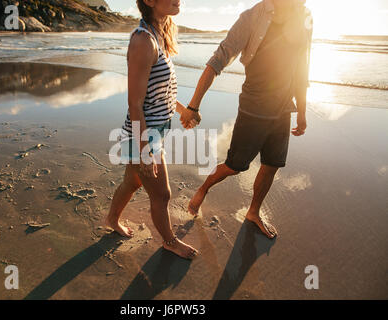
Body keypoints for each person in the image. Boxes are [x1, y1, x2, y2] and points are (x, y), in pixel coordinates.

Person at [181, 0, 313, 238]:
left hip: (284, 109)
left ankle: (253, 212)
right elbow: (218, 59)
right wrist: (193, 105)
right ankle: (204, 188)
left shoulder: (304, 17)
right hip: (254, 109)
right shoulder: (252, 17)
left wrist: (301, 112)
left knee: (272, 164)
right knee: (234, 166)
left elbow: (302, 68)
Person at [105, 0, 200, 259]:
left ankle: (112, 220)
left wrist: (183, 111)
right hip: (143, 135)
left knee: (132, 182)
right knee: (162, 194)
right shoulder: (142, 41)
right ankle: (169, 241)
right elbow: (134, 104)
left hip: (151, 131)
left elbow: (159, 93)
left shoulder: (160, 33)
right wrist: (145, 150)